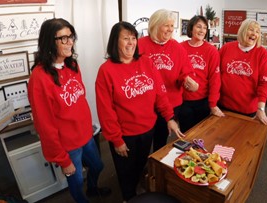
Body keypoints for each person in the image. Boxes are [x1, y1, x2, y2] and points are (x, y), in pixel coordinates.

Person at [95, 21, 184, 202]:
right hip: (124, 134)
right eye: (125, 38)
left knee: (140, 164)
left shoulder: (146, 62)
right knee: (125, 171)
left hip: (147, 129)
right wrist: (116, 139)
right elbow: (105, 111)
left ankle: (136, 192)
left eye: (133, 38)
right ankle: (128, 197)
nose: (131, 42)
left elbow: (160, 93)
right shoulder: (106, 71)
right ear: (115, 42)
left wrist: (169, 117)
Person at [27, 18, 110, 203]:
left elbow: (78, 101)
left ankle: (93, 189)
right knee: (76, 180)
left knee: (98, 166)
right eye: (63, 38)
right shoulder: (39, 78)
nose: (70, 42)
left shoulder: (72, 65)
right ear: (50, 41)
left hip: (86, 134)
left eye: (71, 36)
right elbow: (44, 125)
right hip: (67, 145)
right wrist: (62, 159)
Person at [138, 9, 199, 151]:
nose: (170, 29)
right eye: (166, 25)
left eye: (172, 26)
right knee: (144, 140)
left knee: (161, 138)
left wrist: (189, 81)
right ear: (155, 25)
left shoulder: (177, 47)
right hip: (146, 104)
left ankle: (155, 167)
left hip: (171, 102)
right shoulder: (140, 45)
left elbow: (186, 71)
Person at [218, 18, 267, 125]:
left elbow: (265, 82)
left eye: (257, 32)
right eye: (251, 30)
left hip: (247, 110)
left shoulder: (262, 53)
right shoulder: (226, 48)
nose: (254, 34)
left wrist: (261, 109)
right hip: (223, 105)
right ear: (243, 30)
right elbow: (216, 74)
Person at [179, 15, 224, 132]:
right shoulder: (180, 47)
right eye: (199, 27)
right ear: (191, 29)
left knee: (201, 135)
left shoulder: (211, 51)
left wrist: (213, 104)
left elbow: (215, 79)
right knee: (186, 135)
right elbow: (175, 73)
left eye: (204, 28)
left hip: (202, 101)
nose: (202, 30)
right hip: (183, 101)